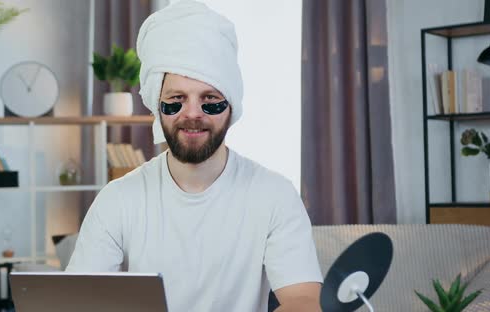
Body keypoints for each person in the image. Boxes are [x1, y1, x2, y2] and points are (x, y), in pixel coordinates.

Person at [66, 1, 323, 311]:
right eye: (175, 101)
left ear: (231, 104)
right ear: (157, 106)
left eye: (210, 101)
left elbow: (304, 300)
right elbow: (77, 301)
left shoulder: (274, 196)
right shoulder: (118, 200)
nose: (192, 114)